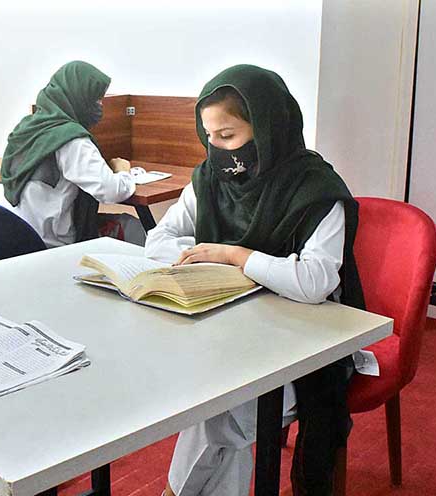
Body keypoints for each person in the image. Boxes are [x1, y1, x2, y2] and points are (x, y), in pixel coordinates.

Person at [145, 65, 368, 496]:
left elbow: (315, 281)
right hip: (231, 332)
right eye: (208, 136)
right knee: (217, 404)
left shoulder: (315, 188)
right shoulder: (210, 180)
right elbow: (158, 240)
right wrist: (203, 258)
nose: (216, 149)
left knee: (222, 410)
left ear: (268, 127)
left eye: (227, 137)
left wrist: (234, 256)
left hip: (307, 344)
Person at [0, 60, 146, 247]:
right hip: (55, 245)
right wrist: (123, 171)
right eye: (95, 100)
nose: (100, 106)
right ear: (77, 98)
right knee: (134, 227)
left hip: (21, 237)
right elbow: (111, 192)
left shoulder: (29, 127)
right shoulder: (71, 140)